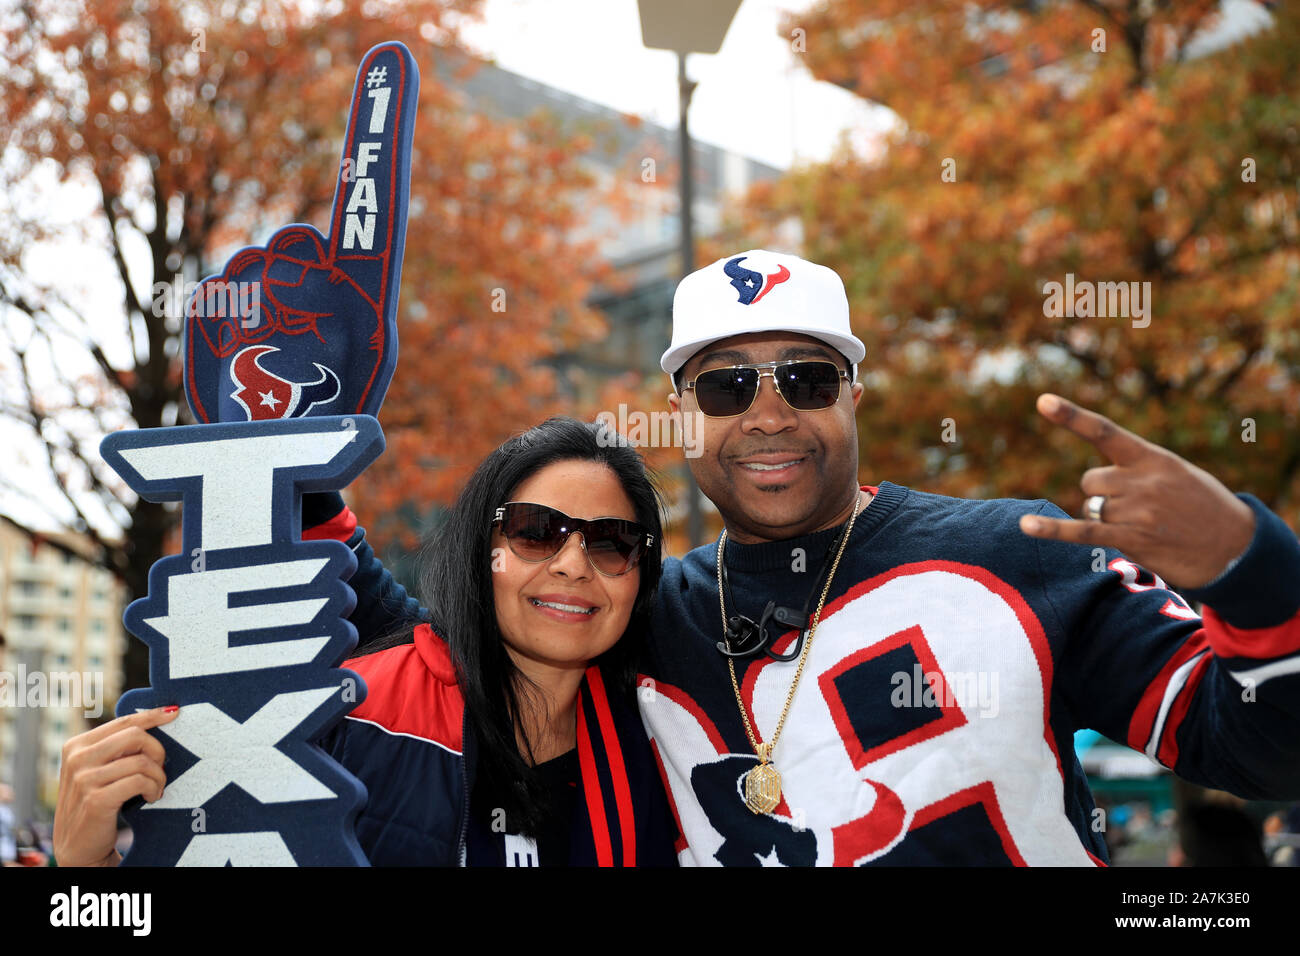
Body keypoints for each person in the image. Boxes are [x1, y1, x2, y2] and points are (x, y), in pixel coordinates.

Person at [342, 248, 1300, 865]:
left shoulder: (1018, 553)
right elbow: (430, 647)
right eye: (723, 387)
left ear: (855, 396)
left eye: (804, 377)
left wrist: (1248, 565)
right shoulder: (633, 613)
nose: (766, 414)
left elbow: (1263, 750)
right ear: (683, 416)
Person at [53, 417, 678, 866]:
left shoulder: (664, 745)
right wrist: (85, 873)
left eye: (611, 542)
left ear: (640, 576)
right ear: (477, 552)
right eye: (535, 532)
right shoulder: (340, 711)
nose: (573, 564)